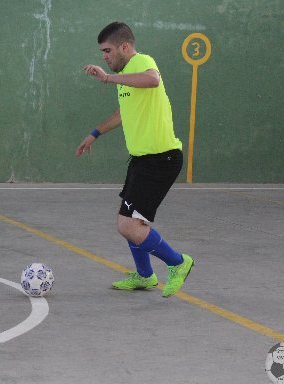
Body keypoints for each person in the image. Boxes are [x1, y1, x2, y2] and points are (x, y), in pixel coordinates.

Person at [75, 22, 194, 297]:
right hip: (142, 159)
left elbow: (152, 79)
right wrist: (95, 133)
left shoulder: (142, 61)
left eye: (107, 50)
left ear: (125, 47)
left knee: (128, 225)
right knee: (129, 220)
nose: (104, 57)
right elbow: (122, 113)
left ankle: (178, 263)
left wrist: (107, 78)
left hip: (161, 159)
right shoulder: (127, 75)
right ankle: (144, 275)